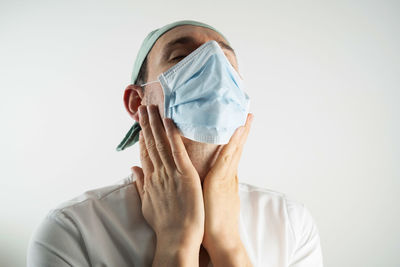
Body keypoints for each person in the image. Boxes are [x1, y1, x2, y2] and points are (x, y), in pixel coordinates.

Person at [27, 20, 324, 267]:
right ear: (137, 101)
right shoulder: (73, 230)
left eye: (226, 62)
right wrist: (176, 240)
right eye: (181, 57)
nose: (214, 72)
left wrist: (225, 239)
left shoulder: (290, 222)